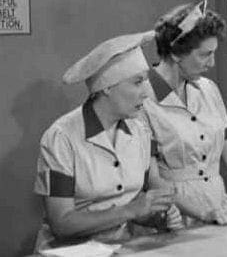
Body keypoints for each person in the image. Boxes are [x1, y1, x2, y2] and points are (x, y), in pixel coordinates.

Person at [33, 31, 183, 251]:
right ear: (107, 88)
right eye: (137, 82)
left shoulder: (140, 131)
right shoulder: (61, 138)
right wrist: (131, 210)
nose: (146, 93)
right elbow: (61, 223)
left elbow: (133, 203)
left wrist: (155, 216)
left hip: (123, 247)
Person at [141, 0, 227, 226]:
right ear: (176, 53)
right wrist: (202, 214)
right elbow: (153, 179)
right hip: (174, 216)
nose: (212, 63)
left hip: (219, 209)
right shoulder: (143, 98)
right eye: (205, 55)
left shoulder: (208, 89)